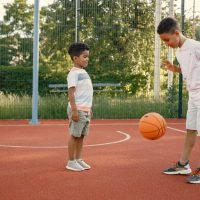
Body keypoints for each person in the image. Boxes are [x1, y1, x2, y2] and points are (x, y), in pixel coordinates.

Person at [157, 17, 200, 184]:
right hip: (193, 94)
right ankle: (183, 164)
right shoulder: (180, 52)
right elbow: (192, 69)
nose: (167, 43)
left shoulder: (195, 47)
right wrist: (176, 69)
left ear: (176, 33)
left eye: (167, 39)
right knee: (191, 129)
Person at [66, 42, 93, 171]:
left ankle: (78, 159)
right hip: (78, 109)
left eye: (88, 56)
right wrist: (74, 110)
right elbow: (71, 92)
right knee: (74, 135)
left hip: (85, 109)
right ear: (75, 58)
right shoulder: (74, 73)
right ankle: (71, 161)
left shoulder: (83, 72)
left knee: (81, 136)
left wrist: (89, 108)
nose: (87, 59)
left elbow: (85, 93)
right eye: (84, 56)